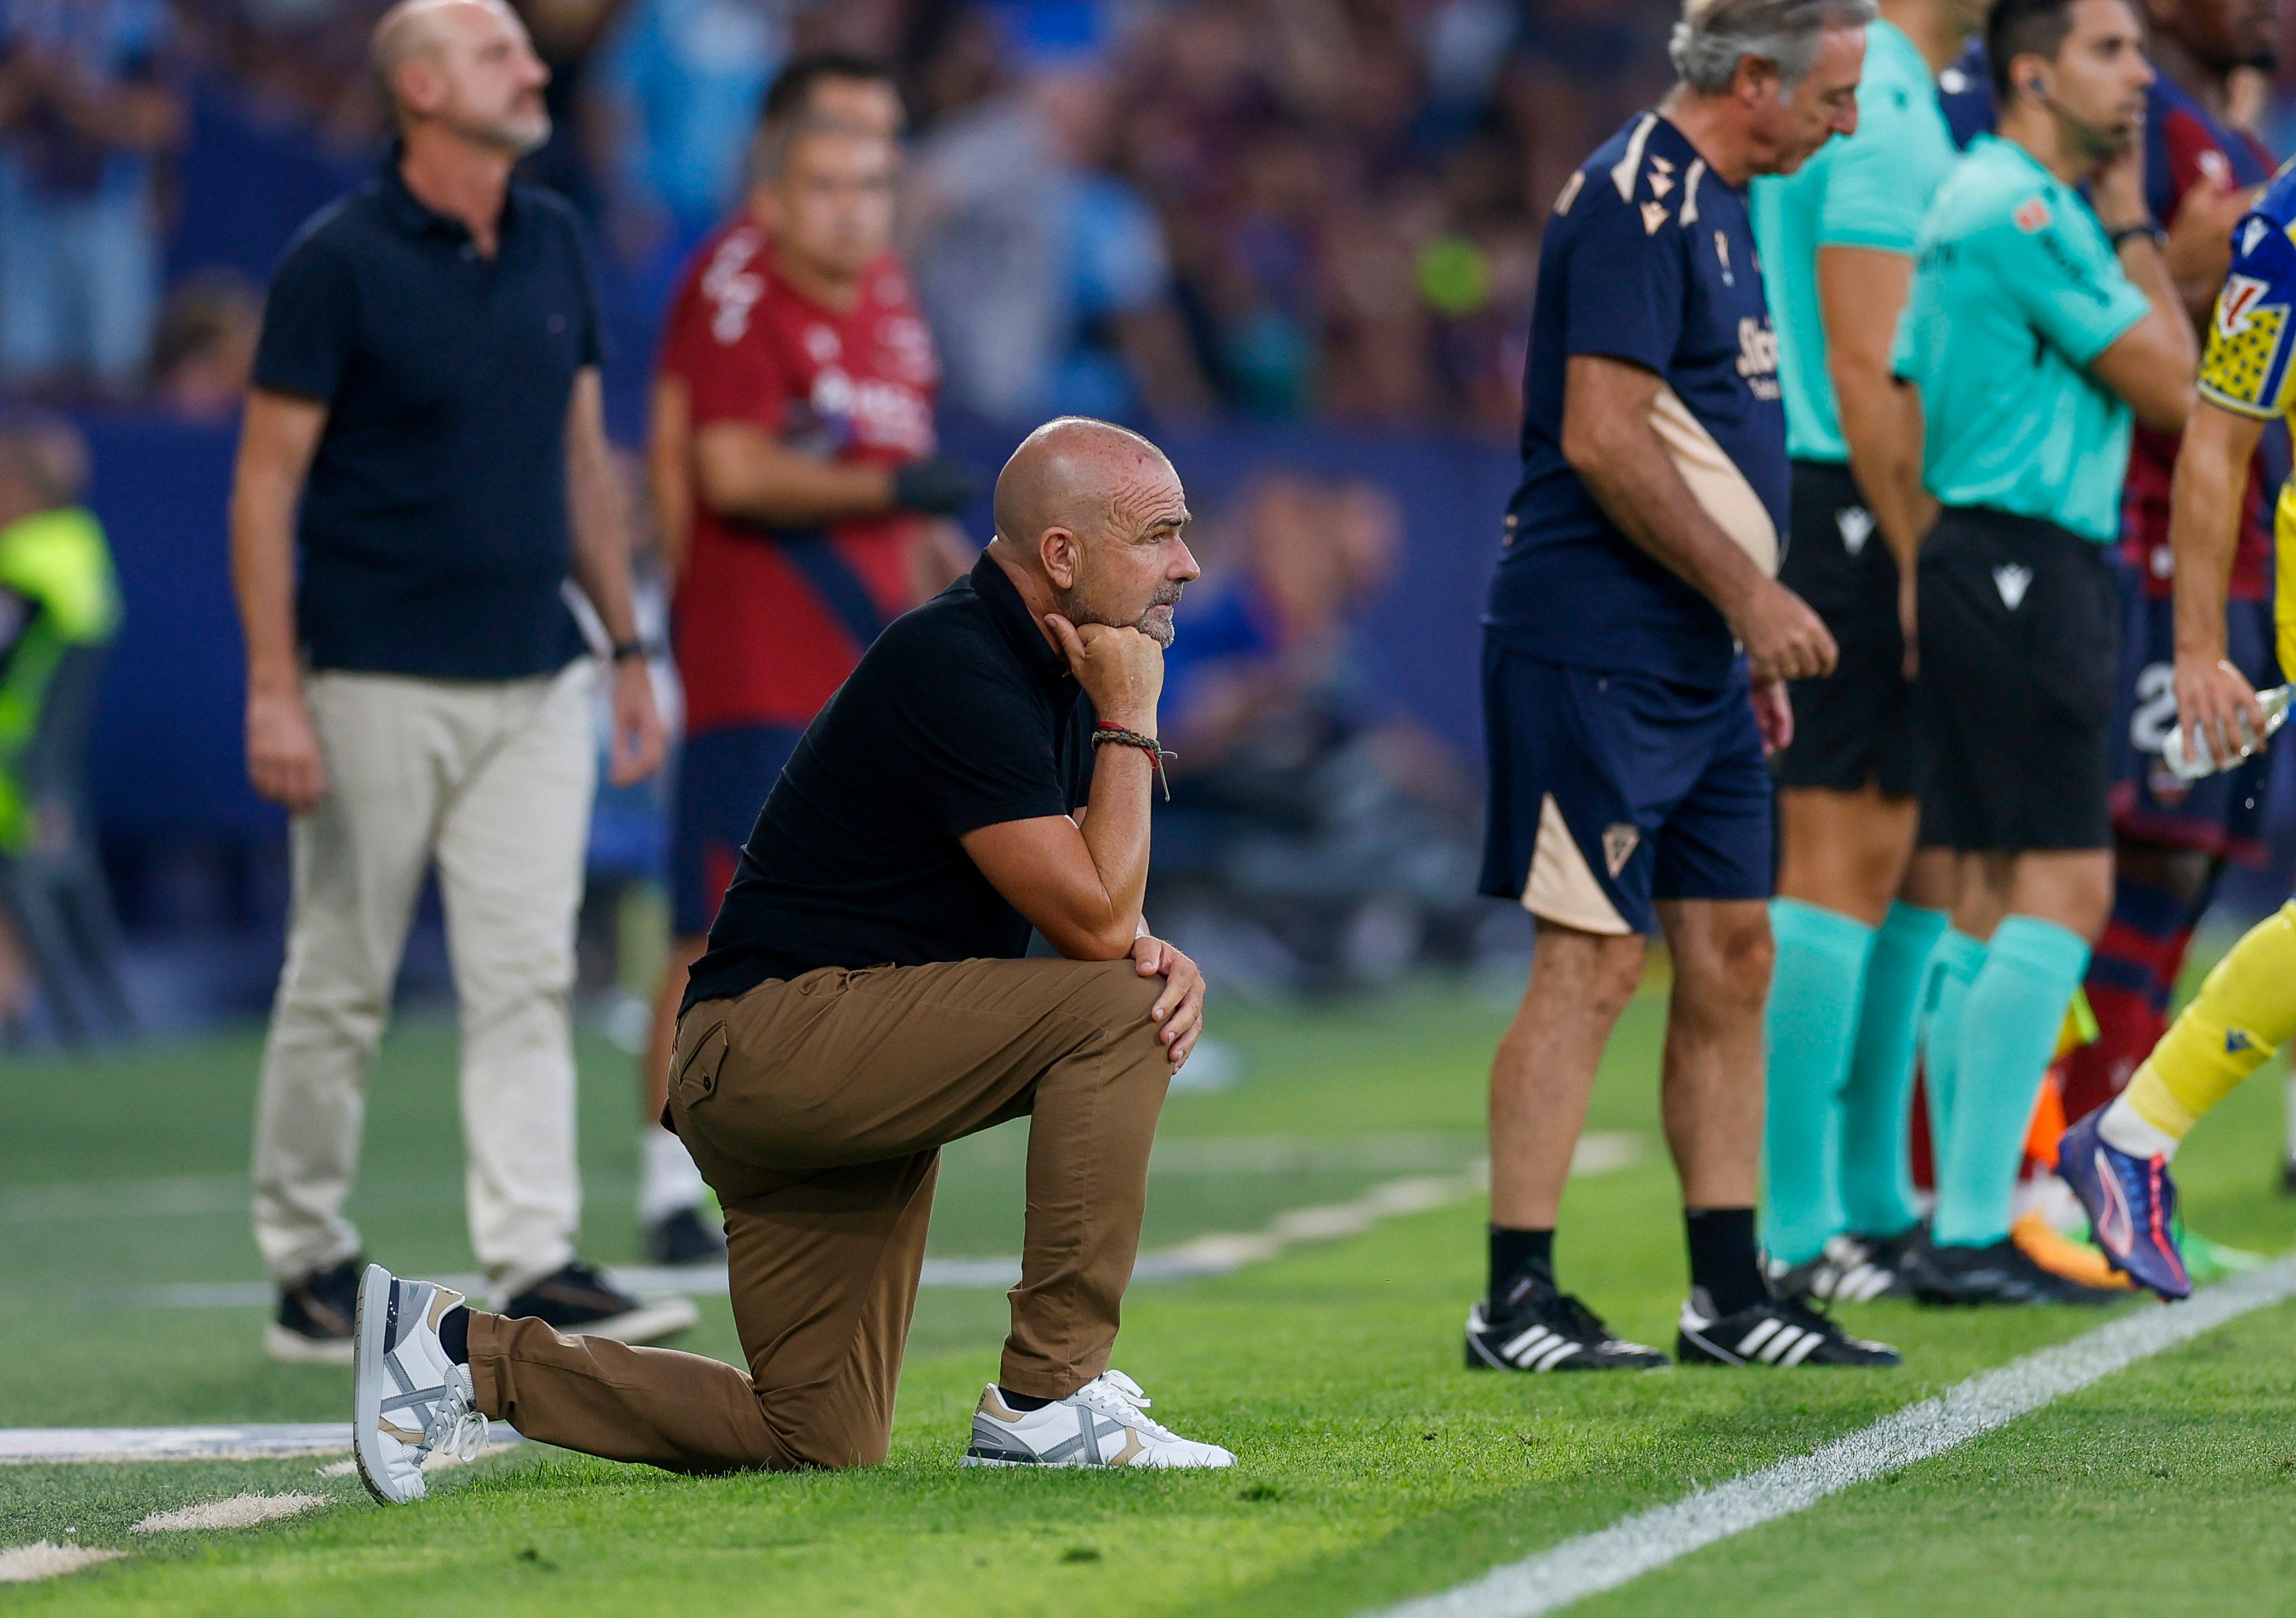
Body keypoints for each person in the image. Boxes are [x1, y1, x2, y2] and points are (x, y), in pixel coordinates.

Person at [349, 418, 1231, 1504]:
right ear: (1061, 554)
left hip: (814, 1066)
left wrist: (1134, 936)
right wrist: (1133, 721)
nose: (1186, 564)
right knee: (1121, 1004)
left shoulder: (1044, 666)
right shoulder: (955, 657)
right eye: (1160, 535)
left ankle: (451, 1352)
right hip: (773, 1045)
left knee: (816, 1432)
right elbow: (1097, 935)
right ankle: (1051, 1399)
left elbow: (1087, 914)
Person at [235, 0, 684, 1365]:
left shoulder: (552, 235)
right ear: (422, 88)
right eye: (501, 53)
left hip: (535, 672)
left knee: (526, 974)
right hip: (370, 672)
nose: (536, 68)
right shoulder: (337, 263)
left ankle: (536, 1253)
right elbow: (265, 485)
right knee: (341, 976)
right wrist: (273, 685)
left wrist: (622, 646)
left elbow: (579, 465)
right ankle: (306, 1259)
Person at [1470, 0, 1901, 1375]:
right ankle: (1515, 1301)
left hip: (1693, 660)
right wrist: (1749, 597)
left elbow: (1689, 437)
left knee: (1734, 955)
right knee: (1591, 959)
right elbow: (1602, 435)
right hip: (1595, 646)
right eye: (1832, 96)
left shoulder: (1722, 195)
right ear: (1755, 78)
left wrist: (1729, 639)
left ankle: (1729, 1292)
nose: (1845, 124)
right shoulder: (1632, 197)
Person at [633, 52, 976, 1264]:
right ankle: (668, 1175)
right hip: (755, 654)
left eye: (873, 181)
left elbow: (914, 505)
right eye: (828, 180)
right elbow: (723, 470)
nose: (852, 207)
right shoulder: (734, 283)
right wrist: (889, 486)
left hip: (863, 662)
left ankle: (814, 1153)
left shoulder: (888, 300)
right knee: (715, 921)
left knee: (859, 923)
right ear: (775, 185)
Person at [1890, 0, 2195, 1304]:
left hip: (1989, 561)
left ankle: (1971, 1216)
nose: (2136, 76)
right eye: (2109, 52)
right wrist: (2132, 219)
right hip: (2027, 563)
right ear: (2031, 72)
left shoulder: (1989, 200)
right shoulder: (2018, 211)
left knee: (1981, 896)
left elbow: (1909, 392)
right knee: (2063, 892)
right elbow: (2185, 388)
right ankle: (1970, 1227)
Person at [1747, 0, 1980, 1304]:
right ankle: (1796, 1225)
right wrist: (1912, 557)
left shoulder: (1899, 86)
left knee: (1904, 851)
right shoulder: (1879, 96)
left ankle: (1871, 1203)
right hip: (1847, 494)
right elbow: (1863, 352)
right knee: (1839, 855)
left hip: (1857, 490)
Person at [2058, 134, 2296, 1297]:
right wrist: (2200, 649)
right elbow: (2218, 436)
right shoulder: (2285, 233)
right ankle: (2132, 1136)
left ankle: (2132, 1136)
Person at [0, 0, 183, 393]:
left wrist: (97, 112)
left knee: (117, 366)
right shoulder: (16, 13)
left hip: (111, 209)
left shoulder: (139, 15)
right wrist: (31, 77)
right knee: (24, 367)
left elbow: (167, 119)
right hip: (23, 209)